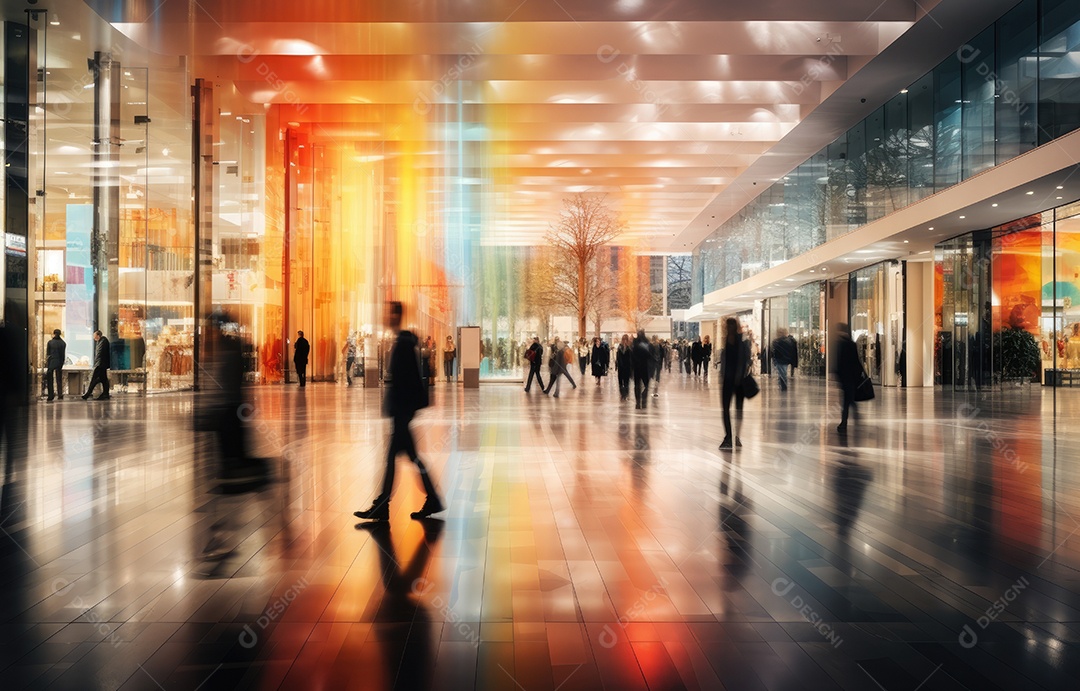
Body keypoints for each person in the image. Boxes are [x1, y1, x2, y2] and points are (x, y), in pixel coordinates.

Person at [355, 302, 444, 522]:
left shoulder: (403, 344)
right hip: (403, 410)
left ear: (396, 315)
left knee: (396, 458)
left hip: (402, 410)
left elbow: (406, 380)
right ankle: (427, 499)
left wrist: (401, 409)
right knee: (408, 457)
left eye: (389, 313)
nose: (385, 316)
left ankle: (384, 506)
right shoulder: (403, 341)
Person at [719, 318, 751, 450]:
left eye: (730, 326)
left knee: (736, 409)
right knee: (728, 409)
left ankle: (734, 436)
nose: (729, 328)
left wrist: (739, 375)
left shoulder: (742, 341)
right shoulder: (727, 340)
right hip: (728, 380)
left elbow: (745, 360)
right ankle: (729, 436)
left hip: (737, 381)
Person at [834, 323, 862, 434]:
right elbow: (856, 361)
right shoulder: (851, 344)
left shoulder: (840, 344)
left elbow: (840, 362)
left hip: (845, 376)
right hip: (851, 376)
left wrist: (837, 374)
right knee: (848, 399)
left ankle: (844, 422)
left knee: (846, 400)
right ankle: (852, 417)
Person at [82, 330, 111, 400]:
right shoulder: (102, 341)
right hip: (102, 364)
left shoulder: (102, 341)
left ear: (98, 336)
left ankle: (88, 394)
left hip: (100, 364)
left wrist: (96, 364)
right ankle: (105, 394)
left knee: (94, 379)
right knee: (104, 379)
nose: (93, 338)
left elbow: (99, 354)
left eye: (94, 336)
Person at [631, 330, 652, 409]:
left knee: (637, 385)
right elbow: (649, 355)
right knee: (646, 384)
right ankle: (643, 400)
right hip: (644, 367)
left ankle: (638, 402)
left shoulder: (635, 343)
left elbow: (632, 355)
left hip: (637, 367)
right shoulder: (646, 343)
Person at [45, 329, 66, 401]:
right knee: (59, 379)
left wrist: (47, 363)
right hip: (59, 362)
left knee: (50, 379)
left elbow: (48, 354)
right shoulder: (63, 343)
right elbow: (63, 355)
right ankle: (60, 394)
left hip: (51, 362)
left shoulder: (50, 342)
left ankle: (51, 395)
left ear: (54, 334)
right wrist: (62, 363)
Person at [615, 334, 632, 401]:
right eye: (623, 339)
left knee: (626, 381)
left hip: (627, 367)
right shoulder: (619, 347)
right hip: (620, 367)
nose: (624, 341)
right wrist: (616, 365)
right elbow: (617, 357)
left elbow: (631, 358)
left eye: (626, 339)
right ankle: (622, 394)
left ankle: (626, 394)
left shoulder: (629, 348)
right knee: (620, 381)